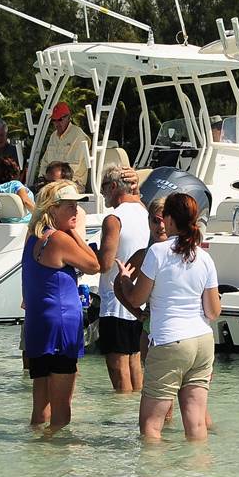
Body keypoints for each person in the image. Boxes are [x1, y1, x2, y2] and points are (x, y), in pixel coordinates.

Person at [116, 192, 220, 442]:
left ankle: (157, 469)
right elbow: (213, 312)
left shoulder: (158, 252)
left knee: (151, 427)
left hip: (170, 341)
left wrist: (125, 280)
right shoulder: (204, 257)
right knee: (196, 424)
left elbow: (136, 299)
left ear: (170, 220)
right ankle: (199, 467)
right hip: (203, 341)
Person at [20, 180, 100, 432]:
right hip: (62, 324)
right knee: (61, 412)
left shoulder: (33, 238)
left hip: (38, 323)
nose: (76, 210)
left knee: (39, 407)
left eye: (76, 205)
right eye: (69, 206)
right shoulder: (59, 239)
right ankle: (56, 452)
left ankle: (37, 451)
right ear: (52, 208)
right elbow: (94, 264)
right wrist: (74, 233)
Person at [95, 164, 150, 393]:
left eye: (104, 187)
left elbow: (105, 264)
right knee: (135, 361)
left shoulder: (113, 218)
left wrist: (85, 251)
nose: (102, 193)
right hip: (138, 300)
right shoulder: (145, 212)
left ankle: (120, 412)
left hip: (114, 301)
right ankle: (135, 409)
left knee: (118, 368)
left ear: (114, 187)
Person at [41, 102, 90, 192]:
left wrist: (52, 181)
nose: (57, 123)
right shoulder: (53, 136)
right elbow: (44, 162)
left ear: (68, 117)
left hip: (73, 183)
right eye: (54, 120)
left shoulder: (78, 135)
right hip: (52, 182)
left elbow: (73, 167)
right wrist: (41, 178)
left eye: (60, 119)